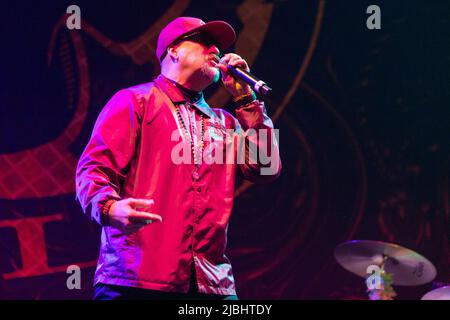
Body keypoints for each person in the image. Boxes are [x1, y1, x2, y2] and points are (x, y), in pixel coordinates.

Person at [75, 16, 281, 300]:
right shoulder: (134, 102)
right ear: (173, 50)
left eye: (218, 48)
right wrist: (110, 208)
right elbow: (93, 170)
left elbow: (267, 169)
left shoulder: (226, 122)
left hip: (211, 282)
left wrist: (246, 101)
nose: (215, 51)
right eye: (204, 43)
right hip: (136, 279)